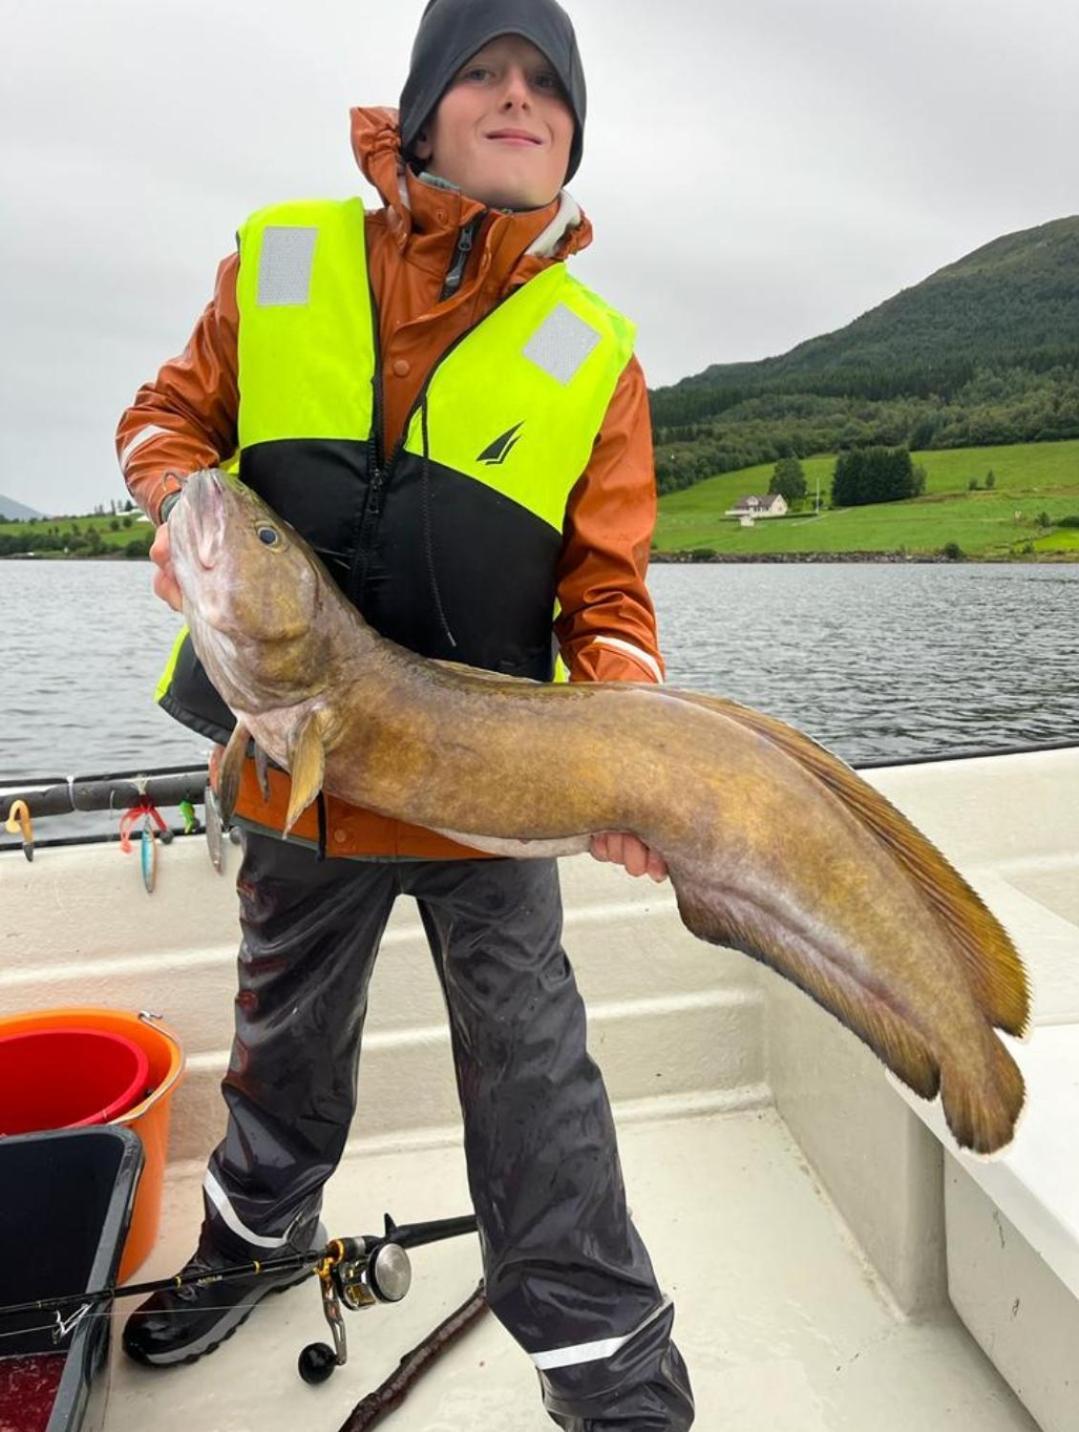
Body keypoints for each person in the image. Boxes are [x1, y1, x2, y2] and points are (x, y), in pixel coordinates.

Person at [115, 1, 694, 1425]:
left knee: (536, 1077)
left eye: (546, 84)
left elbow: (607, 600)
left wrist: (623, 745)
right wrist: (178, 517)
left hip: (489, 795)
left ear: (571, 131)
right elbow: (168, 423)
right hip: (288, 764)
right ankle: (255, 1244)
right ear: (423, 106)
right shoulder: (284, 258)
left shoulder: (599, 355)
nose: (517, 98)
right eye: (482, 73)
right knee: (283, 1037)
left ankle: (611, 1375)